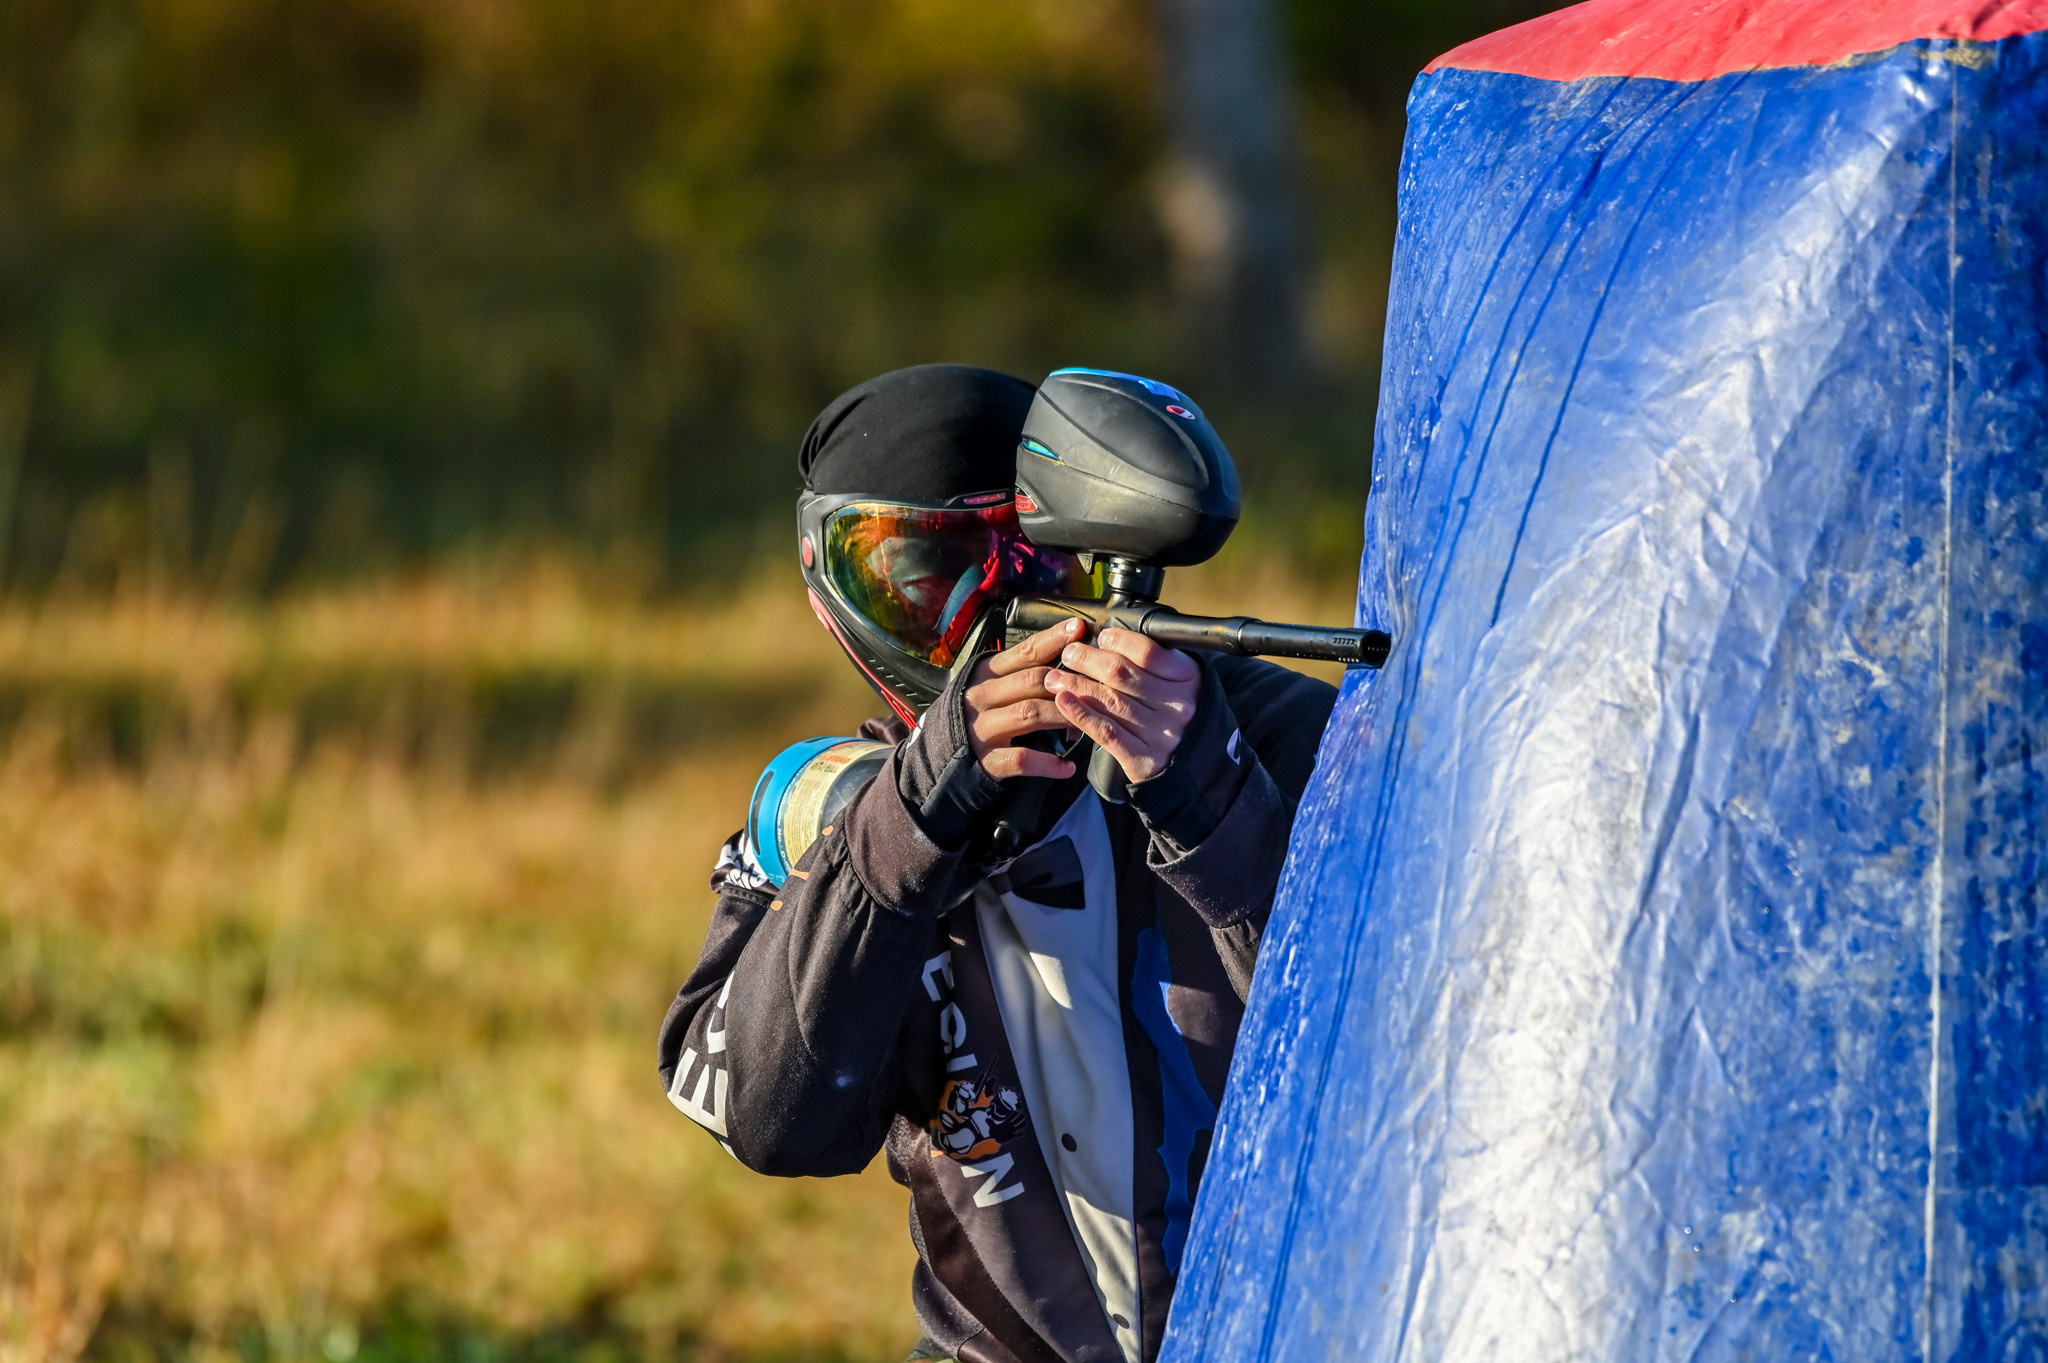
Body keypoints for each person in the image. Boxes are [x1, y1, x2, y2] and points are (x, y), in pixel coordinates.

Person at [657, 364, 1337, 1363]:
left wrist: (1208, 804)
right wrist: (910, 826)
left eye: (1027, 561)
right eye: (926, 577)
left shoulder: (1252, 738)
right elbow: (774, 1122)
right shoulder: (838, 815)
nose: (989, 614)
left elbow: (1401, 1043)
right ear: (829, 600)